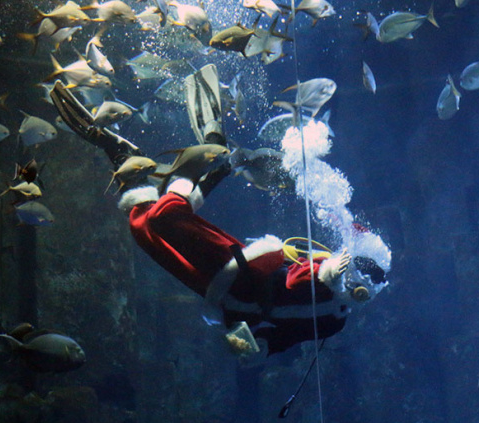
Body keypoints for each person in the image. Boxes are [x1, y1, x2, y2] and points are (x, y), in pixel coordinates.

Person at [50, 66, 387, 358]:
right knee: (163, 218)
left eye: (364, 290)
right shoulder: (330, 270)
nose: (359, 289)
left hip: (229, 301)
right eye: (359, 278)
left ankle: (126, 161)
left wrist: (258, 346)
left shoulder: (334, 322)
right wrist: (329, 272)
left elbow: (289, 336)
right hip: (244, 269)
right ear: (353, 263)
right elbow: (301, 277)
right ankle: (210, 159)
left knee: (144, 232)